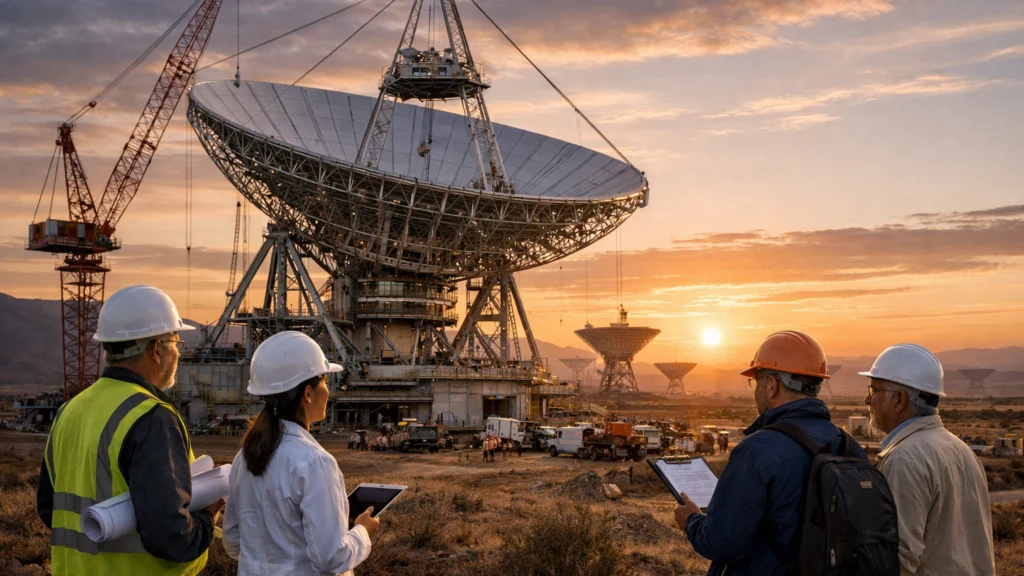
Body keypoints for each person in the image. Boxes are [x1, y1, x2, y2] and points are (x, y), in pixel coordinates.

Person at [36, 285, 223, 575]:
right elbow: (171, 538)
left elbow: (50, 509)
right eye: (175, 342)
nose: (177, 352)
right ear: (156, 349)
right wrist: (207, 519)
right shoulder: (152, 418)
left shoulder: (69, 411)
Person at [673, 330, 866, 575]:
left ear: (772, 385)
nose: (755, 389)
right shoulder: (847, 445)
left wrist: (691, 521)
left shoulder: (757, 451)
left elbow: (723, 542)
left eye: (756, 381)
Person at [224, 331, 379, 576]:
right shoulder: (314, 462)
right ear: (308, 393)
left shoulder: (244, 457)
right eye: (325, 382)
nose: (328, 390)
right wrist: (362, 532)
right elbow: (331, 559)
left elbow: (233, 541)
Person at [861, 344, 995, 575]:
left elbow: (899, 560)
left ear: (899, 400)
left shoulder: (905, 460)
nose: (866, 399)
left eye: (873, 390)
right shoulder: (962, 450)